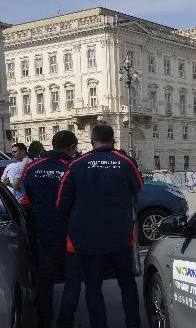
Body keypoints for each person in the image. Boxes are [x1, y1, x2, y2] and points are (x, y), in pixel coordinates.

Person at [57, 123, 143, 328]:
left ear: (92, 141)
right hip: (120, 235)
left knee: (93, 285)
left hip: (87, 237)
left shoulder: (77, 163)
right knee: (127, 281)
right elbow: (138, 187)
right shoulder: (125, 162)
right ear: (113, 140)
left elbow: (61, 203)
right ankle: (133, 323)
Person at [23, 131, 81, 328]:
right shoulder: (74, 168)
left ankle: (44, 320)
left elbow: (29, 198)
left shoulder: (33, 167)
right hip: (71, 233)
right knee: (72, 279)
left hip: (45, 232)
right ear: (71, 147)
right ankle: (66, 322)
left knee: (45, 279)